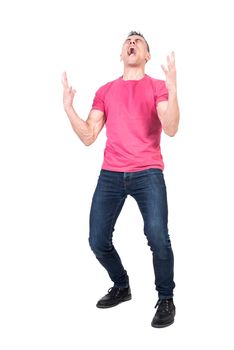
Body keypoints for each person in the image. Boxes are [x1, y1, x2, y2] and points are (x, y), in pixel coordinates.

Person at [62, 31, 180, 328]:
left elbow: (171, 128)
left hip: (148, 171)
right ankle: (122, 285)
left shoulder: (156, 87)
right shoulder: (106, 90)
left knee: (158, 238)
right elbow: (89, 135)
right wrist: (68, 109)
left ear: (147, 55)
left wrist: (174, 91)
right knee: (97, 240)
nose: (132, 43)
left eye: (138, 42)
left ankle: (166, 298)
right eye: (128, 41)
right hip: (111, 174)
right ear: (120, 54)